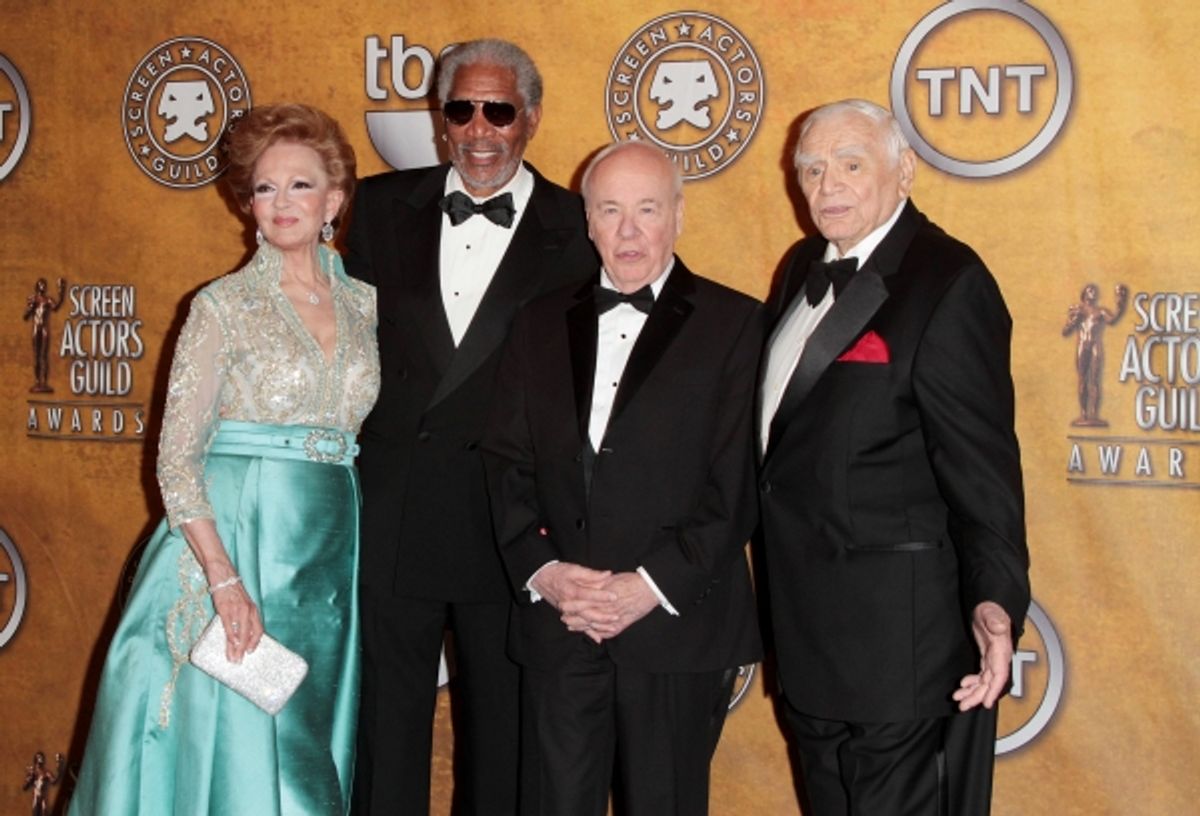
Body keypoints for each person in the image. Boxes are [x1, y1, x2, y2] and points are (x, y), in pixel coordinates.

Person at [70, 103, 378, 815]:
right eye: (264, 189)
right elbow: (177, 459)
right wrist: (224, 580)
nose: (280, 204)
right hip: (234, 541)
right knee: (238, 739)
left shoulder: (364, 304)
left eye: (300, 186)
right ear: (247, 204)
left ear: (333, 199)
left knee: (304, 736)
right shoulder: (221, 306)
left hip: (328, 552)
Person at [344, 38, 596, 814]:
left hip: (511, 525)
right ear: (439, 120)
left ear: (531, 120)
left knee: (505, 753)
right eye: (462, 110)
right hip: (394, 516)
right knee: (382, 747)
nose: (480, 130)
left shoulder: (581, 225)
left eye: (500, 110)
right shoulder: (381, 208)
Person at [758, 100, 1030, 815]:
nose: (827, 185)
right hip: (807, 639)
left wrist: (996, 600)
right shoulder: (798, 268)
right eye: (811, 168)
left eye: (850, 164)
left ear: (904, 171)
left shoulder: (948, 281)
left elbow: (983, 468)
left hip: (902, 652)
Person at [482, 140, 762, 815]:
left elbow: (738, 485)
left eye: (647, 209)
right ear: (587, 220)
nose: (629, 230)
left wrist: (650, 586)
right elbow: (506, 462)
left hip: (674, 629)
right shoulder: (537, 321)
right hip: (560, 624)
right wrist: (544, 570)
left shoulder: (738, 323)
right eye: (610, 210)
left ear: (678, 215)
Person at [1063, 282, 1128, 426]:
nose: (1094, 292)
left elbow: (1113, 319)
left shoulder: (1100, 312)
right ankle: (1084, 414)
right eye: (1090, 290)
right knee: (1082, 380)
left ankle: (1093, 414)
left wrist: (1120, 305)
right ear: (1085, 294)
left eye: (1095, 290)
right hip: (1082, 346)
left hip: (1095, 345)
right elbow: (1066, 331)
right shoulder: (1079, 310)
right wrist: (1073, 320)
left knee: (1095, 380)